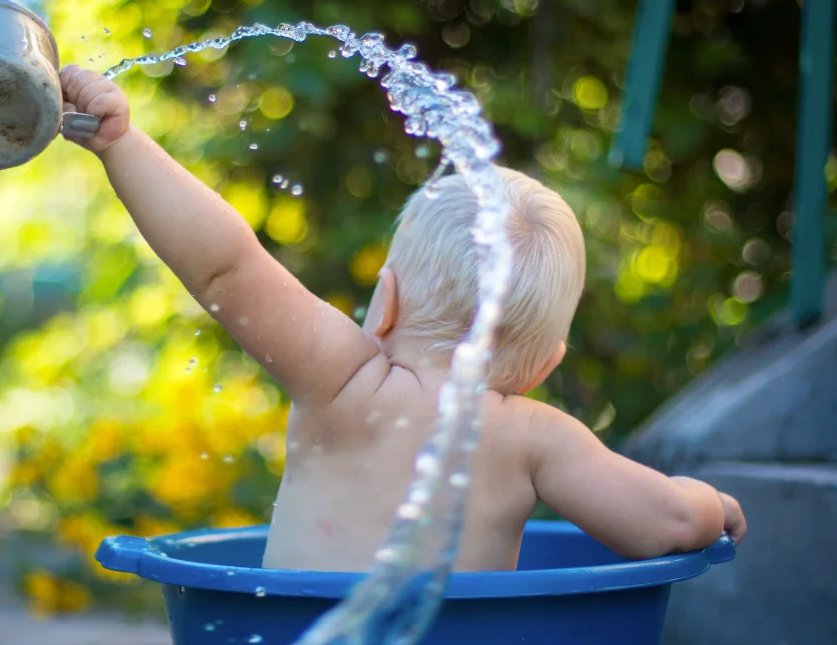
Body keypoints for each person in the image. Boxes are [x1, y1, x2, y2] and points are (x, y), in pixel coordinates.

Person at [60, 66, 747, 572]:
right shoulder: (537, 438)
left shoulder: (343, 381)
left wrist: (121, 142)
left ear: (383, 302)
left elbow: (226, 267)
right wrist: (713, 504)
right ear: (545, 365)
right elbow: (668, 523)